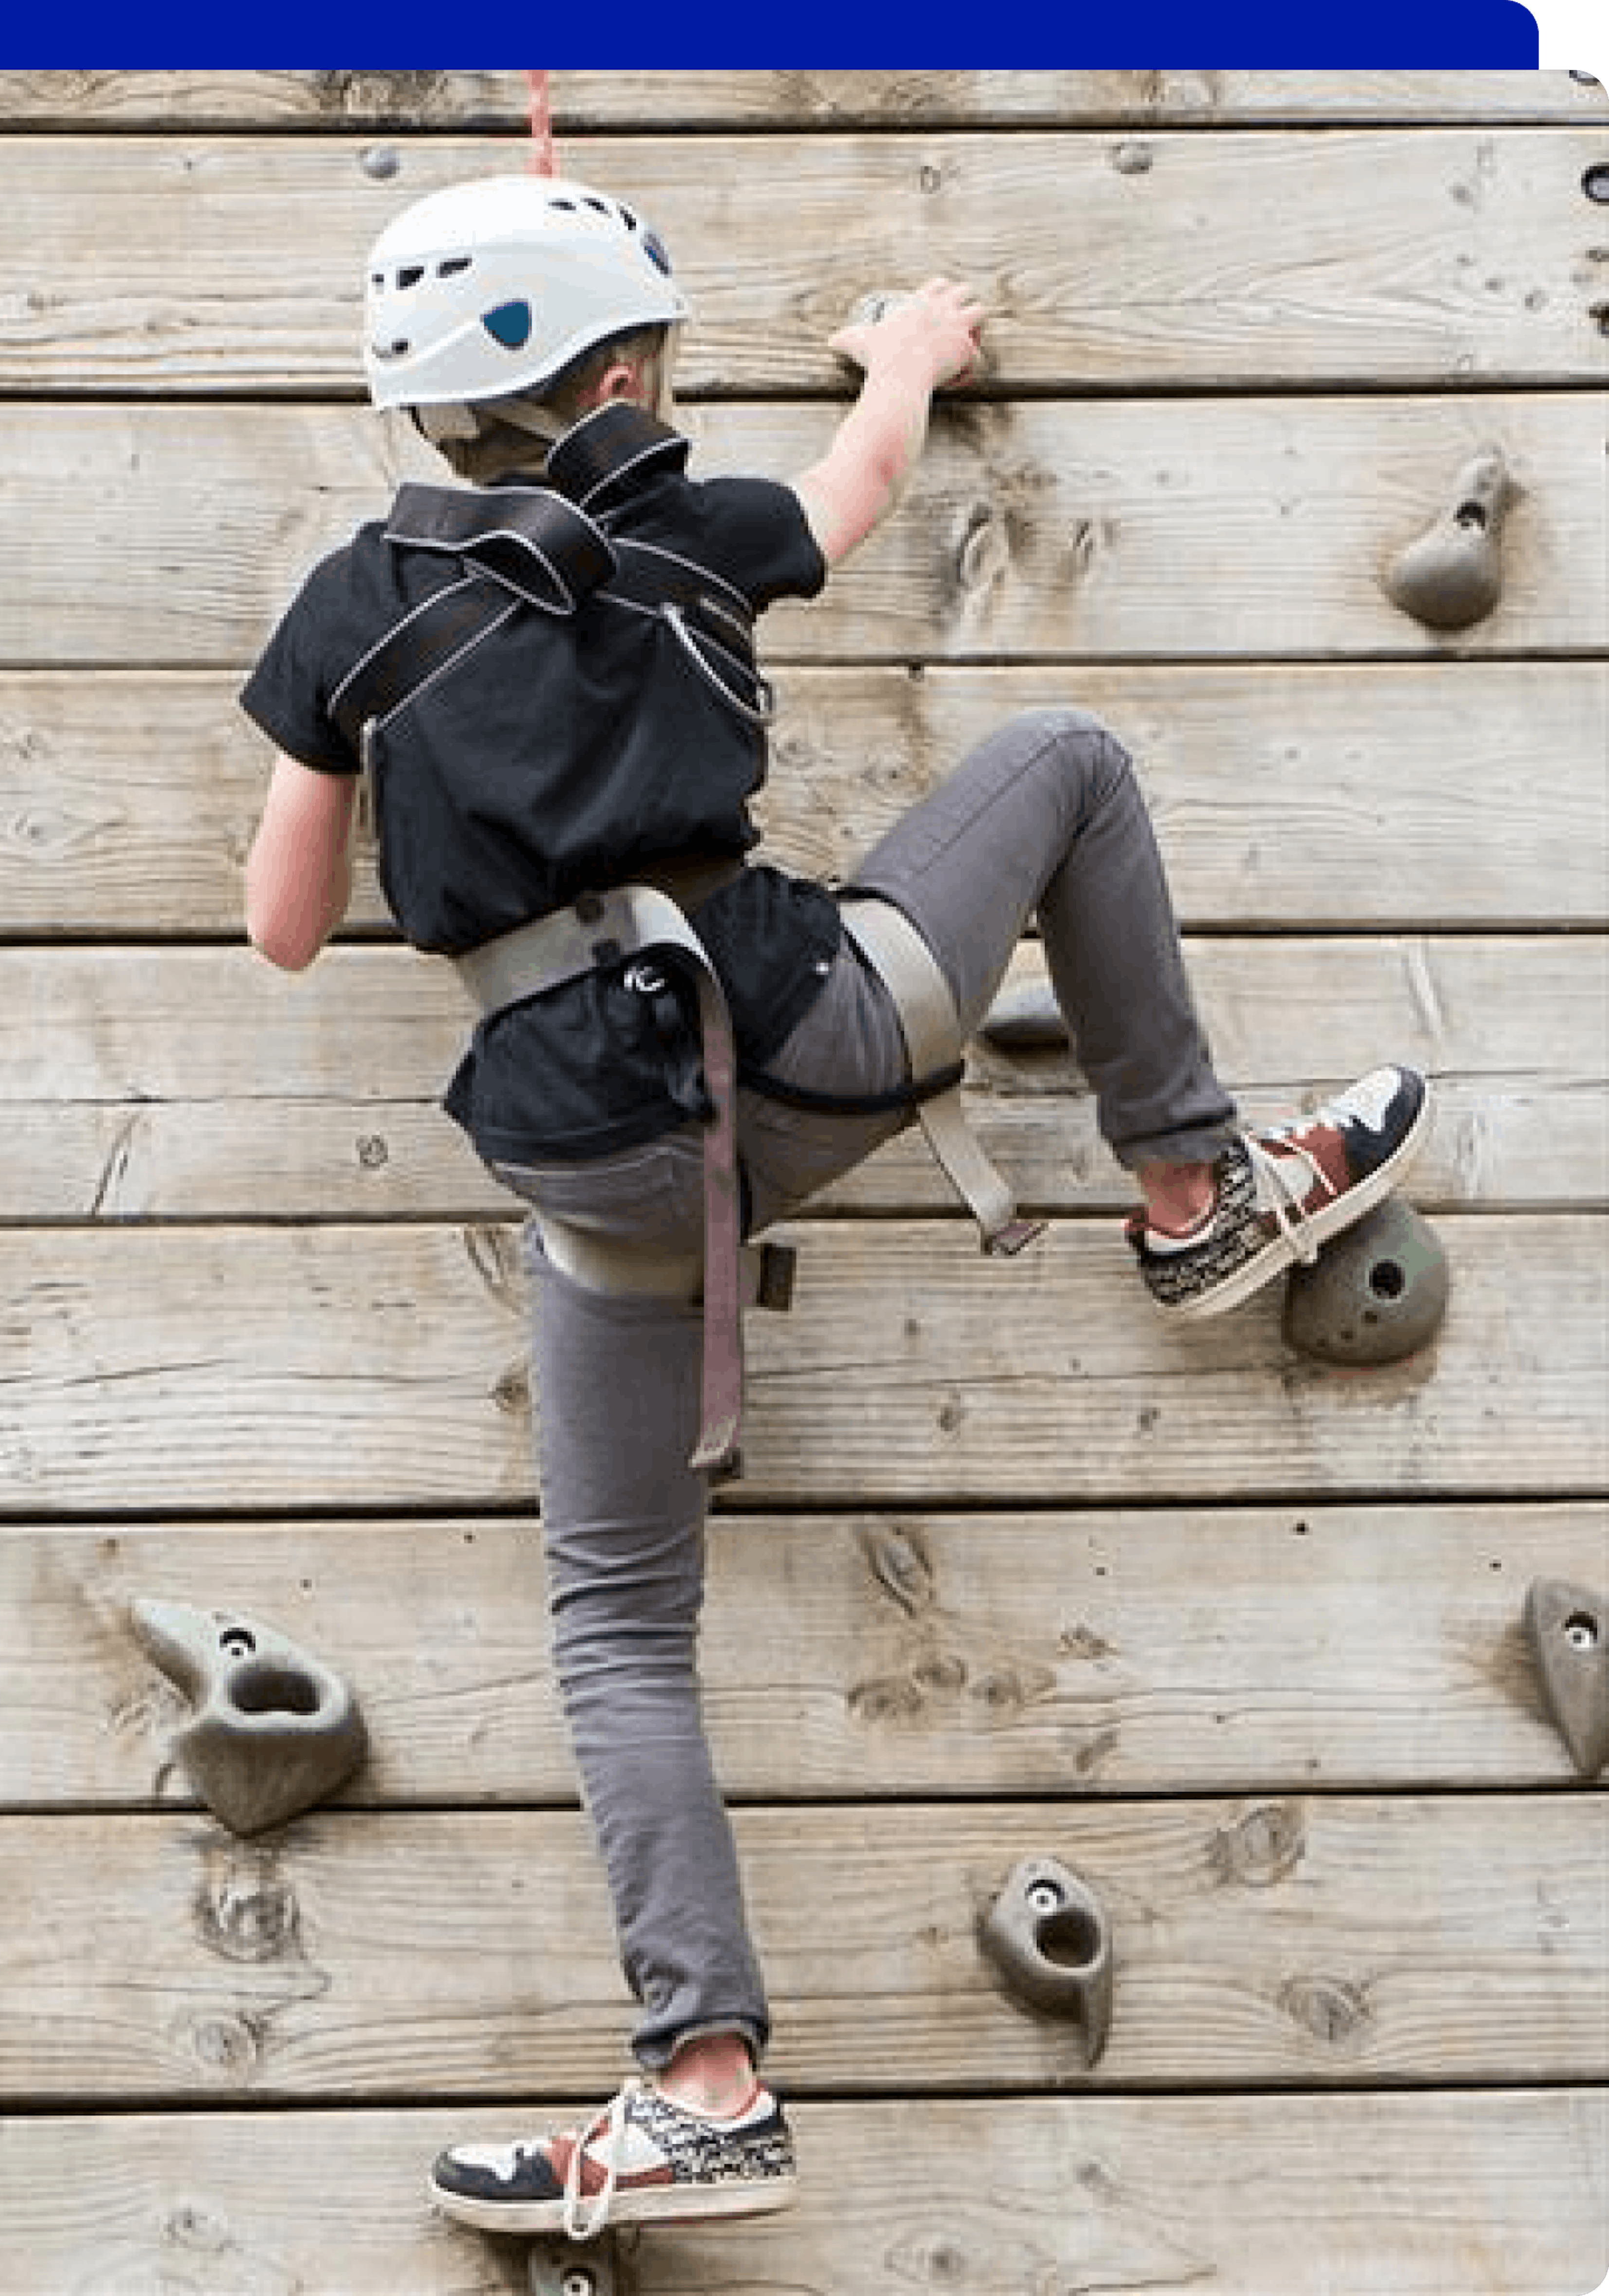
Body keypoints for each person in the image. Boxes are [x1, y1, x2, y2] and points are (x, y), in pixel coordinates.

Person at [238, 174, 1429, 2243]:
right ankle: (1190, 1190)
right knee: (1062, 759)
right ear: (619, 377)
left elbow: (278, 929)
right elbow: (865, 478)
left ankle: (702, 2086)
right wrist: (909, 356)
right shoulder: (690, 533)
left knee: (619, 1627)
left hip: (596, 1176)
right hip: (813, 1044)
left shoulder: (354, 611)